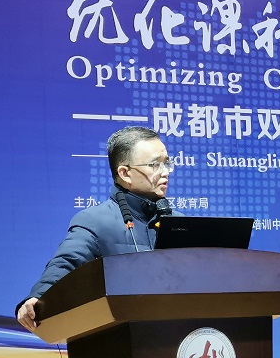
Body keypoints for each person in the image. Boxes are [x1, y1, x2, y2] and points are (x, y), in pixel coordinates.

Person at [16, 126, 177, 332]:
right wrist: (38, 296)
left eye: (166, 163)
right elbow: (67, 262)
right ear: (125, 173)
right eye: (155, 165)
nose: (165, 172)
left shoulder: (178, 222)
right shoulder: (95, 221)